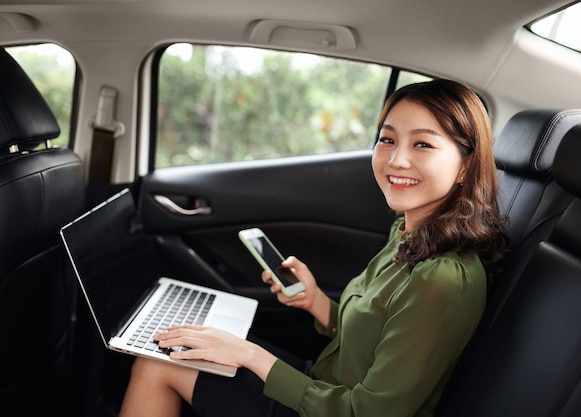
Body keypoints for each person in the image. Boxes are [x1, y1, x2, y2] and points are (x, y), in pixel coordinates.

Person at [119, 79, 509, 417]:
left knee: (159, 366)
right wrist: (316, 302)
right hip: (323, 387)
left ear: (464, 166)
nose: (396, 159)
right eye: (387, 139)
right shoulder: (408, 236)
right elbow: (374, 338)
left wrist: (249, 355)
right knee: (173, 350)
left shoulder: (443, 280)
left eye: (422, 144)